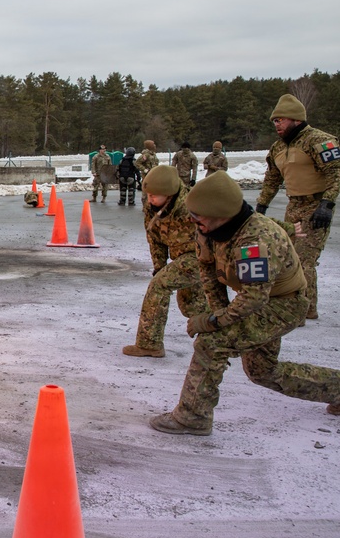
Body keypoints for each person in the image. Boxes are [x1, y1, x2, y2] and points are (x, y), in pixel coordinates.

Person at [149, 171, 340, 436]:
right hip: (256, 301)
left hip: (283, 306)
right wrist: (216, 312)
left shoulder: (256, 241)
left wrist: (214, 322)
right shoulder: (208, 229)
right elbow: (208, 270)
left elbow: (255, 297)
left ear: (220, 214)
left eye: (198, 216)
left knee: (211, 343)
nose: (193, 221)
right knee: (263, 372)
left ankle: (192, 417)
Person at [255, 94, 340, 320]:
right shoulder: (277, 148)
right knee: (288, 257)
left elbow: (335, 173)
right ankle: (299, 306)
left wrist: (327, 204)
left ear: (295, 119)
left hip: (316, 206)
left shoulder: (319, 141)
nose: (277, 125)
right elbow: (272, 180)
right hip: (293, 207)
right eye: (274, 121)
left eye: (280, 120)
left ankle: (305, 310)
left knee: (304, 259)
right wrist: (261, 206)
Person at [122, 166, 207, 358]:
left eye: (154, 195)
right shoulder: (152, 208)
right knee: (193, 306)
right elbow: (154, 237)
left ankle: (149, 343)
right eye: (148, 194)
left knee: (159, 286)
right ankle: (221, 340)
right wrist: (159, 265)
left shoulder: (193, 206)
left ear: (169, 194)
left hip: (200, 257)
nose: (150, 198)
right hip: (182, 259)